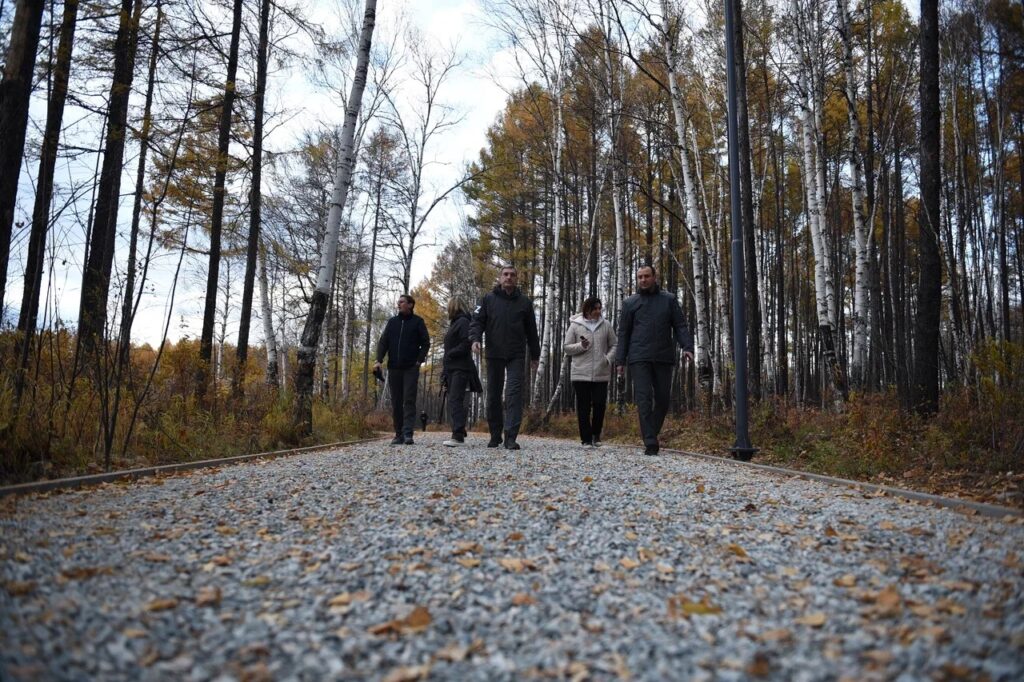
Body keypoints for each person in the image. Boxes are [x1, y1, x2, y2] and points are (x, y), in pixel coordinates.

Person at [616, 265, 694, 456]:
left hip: (663, 356)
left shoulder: (669, 300)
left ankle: (651, 432)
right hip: (638, 357)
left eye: (647, 276)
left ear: (654, 277)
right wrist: (620, 361)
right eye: (640, 277)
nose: (643, 280)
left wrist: (687, 347)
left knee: (663, 399)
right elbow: (623, 333)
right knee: (643, 399)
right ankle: (650, 441)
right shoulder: (630, 303)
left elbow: (680, 325)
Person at [469, 265, 540, 450]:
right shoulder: (487, 299)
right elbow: (477, 321)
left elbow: (532, 330)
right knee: (493, 394)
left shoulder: (524, 302)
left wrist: (535, 354)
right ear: (500, 278)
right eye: (505, 274)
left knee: (514, 394)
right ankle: (495, 435)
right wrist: (475, 339)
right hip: (494, 353)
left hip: (516, 354)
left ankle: (510, 437)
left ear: (516, 279)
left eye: (512, 275)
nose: (509, 277)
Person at [374, 294, 430, 445]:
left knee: (409, 400)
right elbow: (383, 342)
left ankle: (407, 434)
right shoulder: (392, 322)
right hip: (394, 368)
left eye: (402, 302)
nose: (398, 304)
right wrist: (378, 360)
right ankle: (398, 434)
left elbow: (426, 343)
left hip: (411, 368)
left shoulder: (418, 322)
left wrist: (419, 361)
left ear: (410, 305)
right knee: (396, 401)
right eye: (398, 302)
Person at [563, 296, 617, 447]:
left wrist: (608, 359)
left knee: (600, 404)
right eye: (595, 309)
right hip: (580, 373)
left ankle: (596, 435)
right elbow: (566, 347)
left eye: (600, 308)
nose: (598, 311)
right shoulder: (575, 325)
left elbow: (614, 345)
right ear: (588, 309)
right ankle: (586, 439)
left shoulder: (606, 325)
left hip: (601, 372)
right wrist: (581, 346)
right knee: (583, 406)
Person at [441, 296, 483, 447]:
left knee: (456, 401)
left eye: (449, 306)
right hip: (452, 369)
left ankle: (458, 436)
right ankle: (459, 430)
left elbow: (467, 342)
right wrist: (445, 373)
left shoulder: (463, 322)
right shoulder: (455, 323)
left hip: (460, 367)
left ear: (453, 307)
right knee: (454, 400)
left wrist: (451, 353)